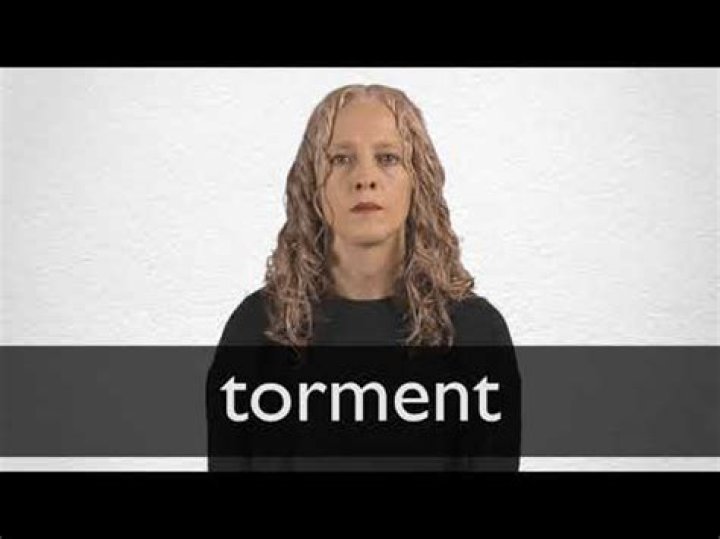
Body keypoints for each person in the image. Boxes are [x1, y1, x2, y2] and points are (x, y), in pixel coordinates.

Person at [206, 84, 521, 471]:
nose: (365, 178)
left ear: (417, 180)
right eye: (341, 159)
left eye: (388, 158)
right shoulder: (256, 330)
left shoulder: (476, 334)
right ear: (311, 183)